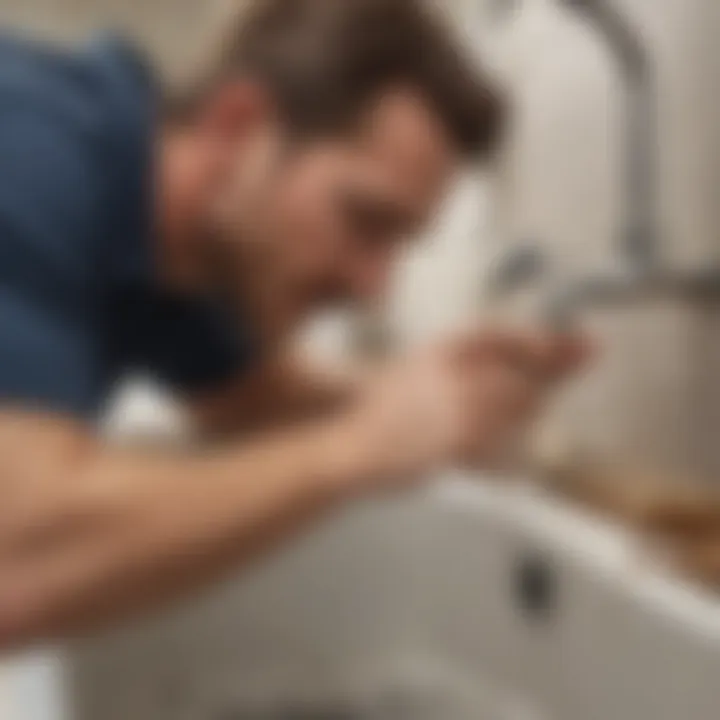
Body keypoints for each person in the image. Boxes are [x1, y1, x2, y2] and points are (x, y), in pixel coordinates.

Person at [0, 0, 589, 650]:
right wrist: (357, 450)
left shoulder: (177, 247)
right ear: (238, 126)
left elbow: (247, 399)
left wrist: (430, 387)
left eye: (399, 245)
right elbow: (15, 564)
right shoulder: (28, 148)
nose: (375, 289)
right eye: (366, 221)